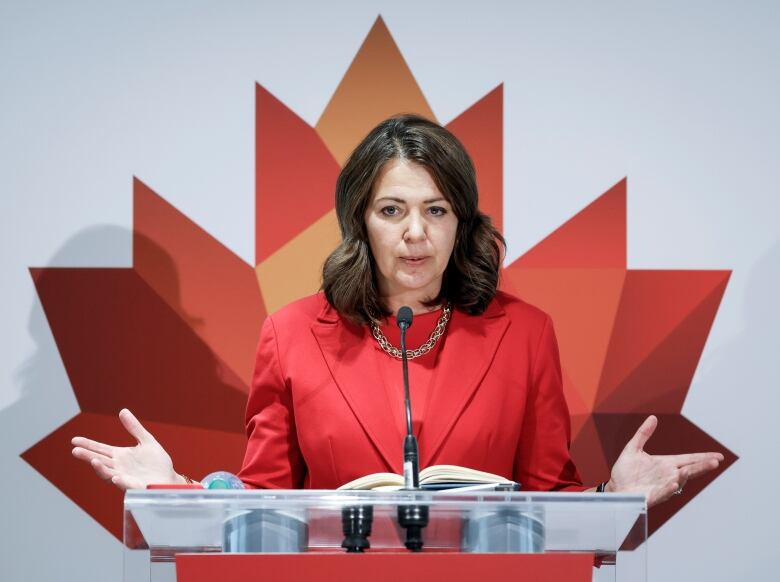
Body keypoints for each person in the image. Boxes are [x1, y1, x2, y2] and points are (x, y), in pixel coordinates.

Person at [71, 115, 722, 507]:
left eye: (436, 210)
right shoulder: (292, 335)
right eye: (393, 211)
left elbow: (549, 507)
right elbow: (264, 509)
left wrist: (616, 499)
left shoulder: (525, 334)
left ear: (461, 223)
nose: (416, 233)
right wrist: (174, 488)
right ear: (361, 221)